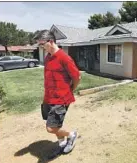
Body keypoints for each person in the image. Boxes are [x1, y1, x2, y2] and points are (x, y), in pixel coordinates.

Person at [36, 30, 81, 158]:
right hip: (48, 97)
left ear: (50, 42)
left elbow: (77, 76)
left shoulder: (64, 58)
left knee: (51, 128)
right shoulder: (48, 57)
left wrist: (70, 89)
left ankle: (71, 135)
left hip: (61, 98)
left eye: (42, 44)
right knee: (56, 125)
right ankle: (62, 144)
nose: (41, 47)